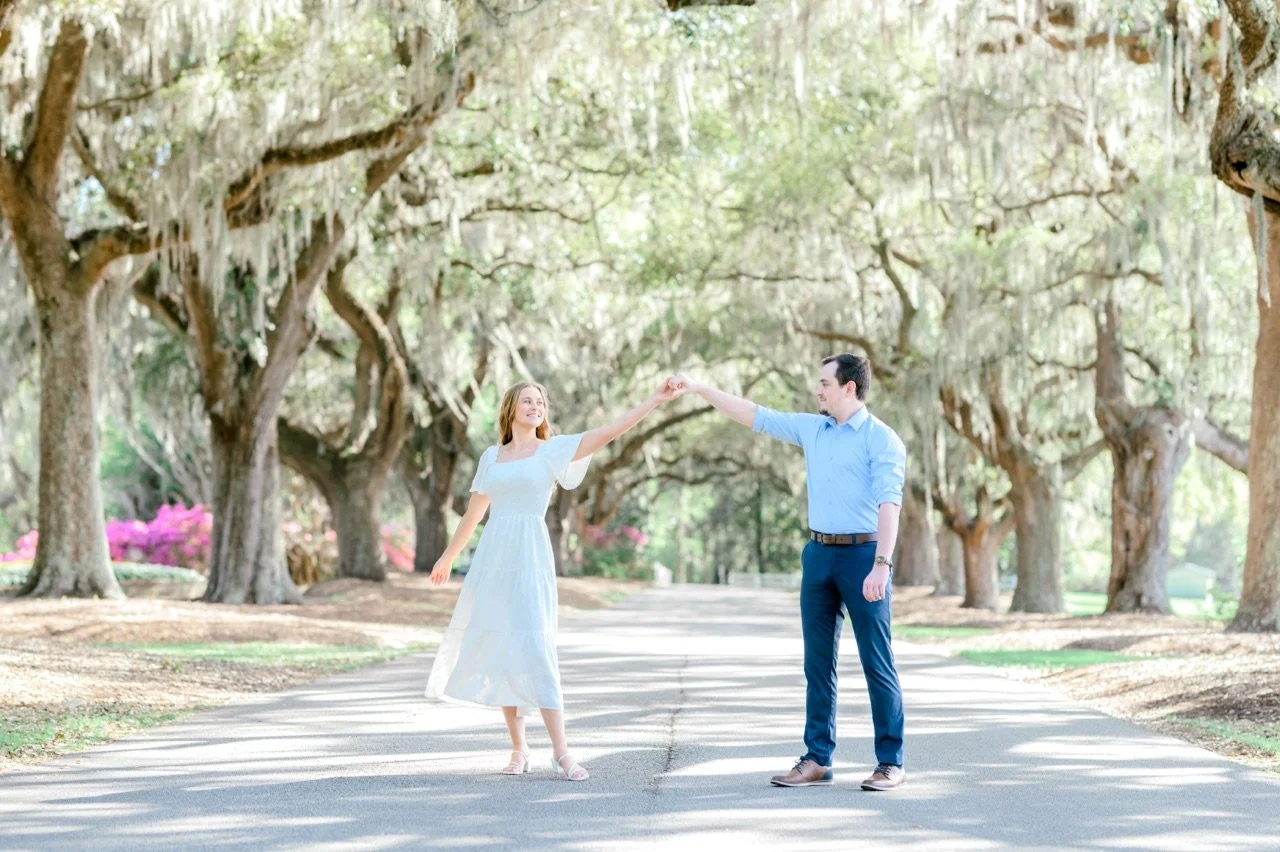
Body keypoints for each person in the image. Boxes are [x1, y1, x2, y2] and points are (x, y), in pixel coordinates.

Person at [670, 354, 908, 791]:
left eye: (824, 383)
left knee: (877, 660)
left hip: (864, 555)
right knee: (817, 664)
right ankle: (817, 757)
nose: (817, 390)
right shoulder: (811, 428)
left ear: (849, 388)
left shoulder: (882, 439)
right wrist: (700, 388)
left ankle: (890, 761)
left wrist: (882, 563)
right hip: (818, 554)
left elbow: (889, 504)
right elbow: (754, 416)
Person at [425, 377, 680, 781]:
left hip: (530, 557)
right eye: (527, 401)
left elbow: (611, 431)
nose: (536, 406)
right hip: (494, 558)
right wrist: (446, 558)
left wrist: (654, 399)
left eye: (540, 402)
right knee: (502, 646)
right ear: (510, 409)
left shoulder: (553, 450)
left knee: (536, 646)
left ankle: (561, 753)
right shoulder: (491, 457)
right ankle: (518, 748)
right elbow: (473, 516)